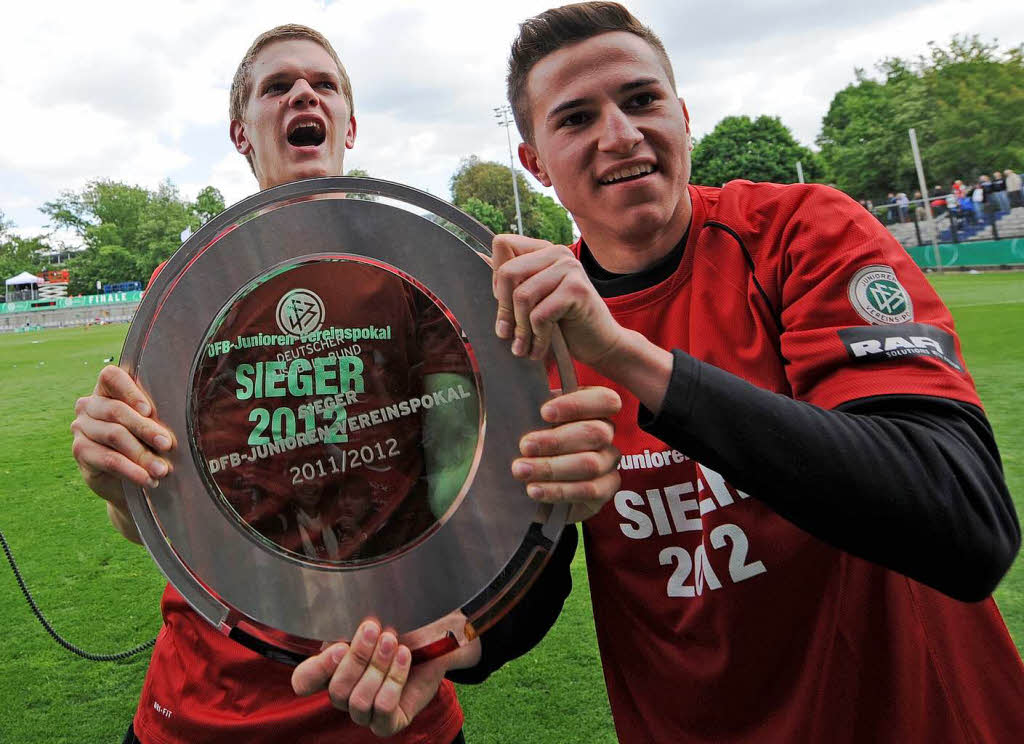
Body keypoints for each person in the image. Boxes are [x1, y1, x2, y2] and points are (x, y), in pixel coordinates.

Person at [481, 3, 1023, 742]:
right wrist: (449, 646)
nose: (620, 134)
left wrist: (627, 357)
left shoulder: (805, 234)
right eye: (575, 119)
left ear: (684, 116)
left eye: (642, 100)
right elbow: (524, 591)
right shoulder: (529, 330)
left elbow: (965, 522)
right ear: (536, 163)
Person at [71, 24, 621, 744]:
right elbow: (156, 520)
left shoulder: (419, 275)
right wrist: (119, 485)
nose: (304, 92)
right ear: (242, 131)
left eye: (324, 83)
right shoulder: (187, 293)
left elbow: (470, 473)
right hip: (204, 706)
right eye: (278, 86)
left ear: (349, 125)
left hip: (392, 690)